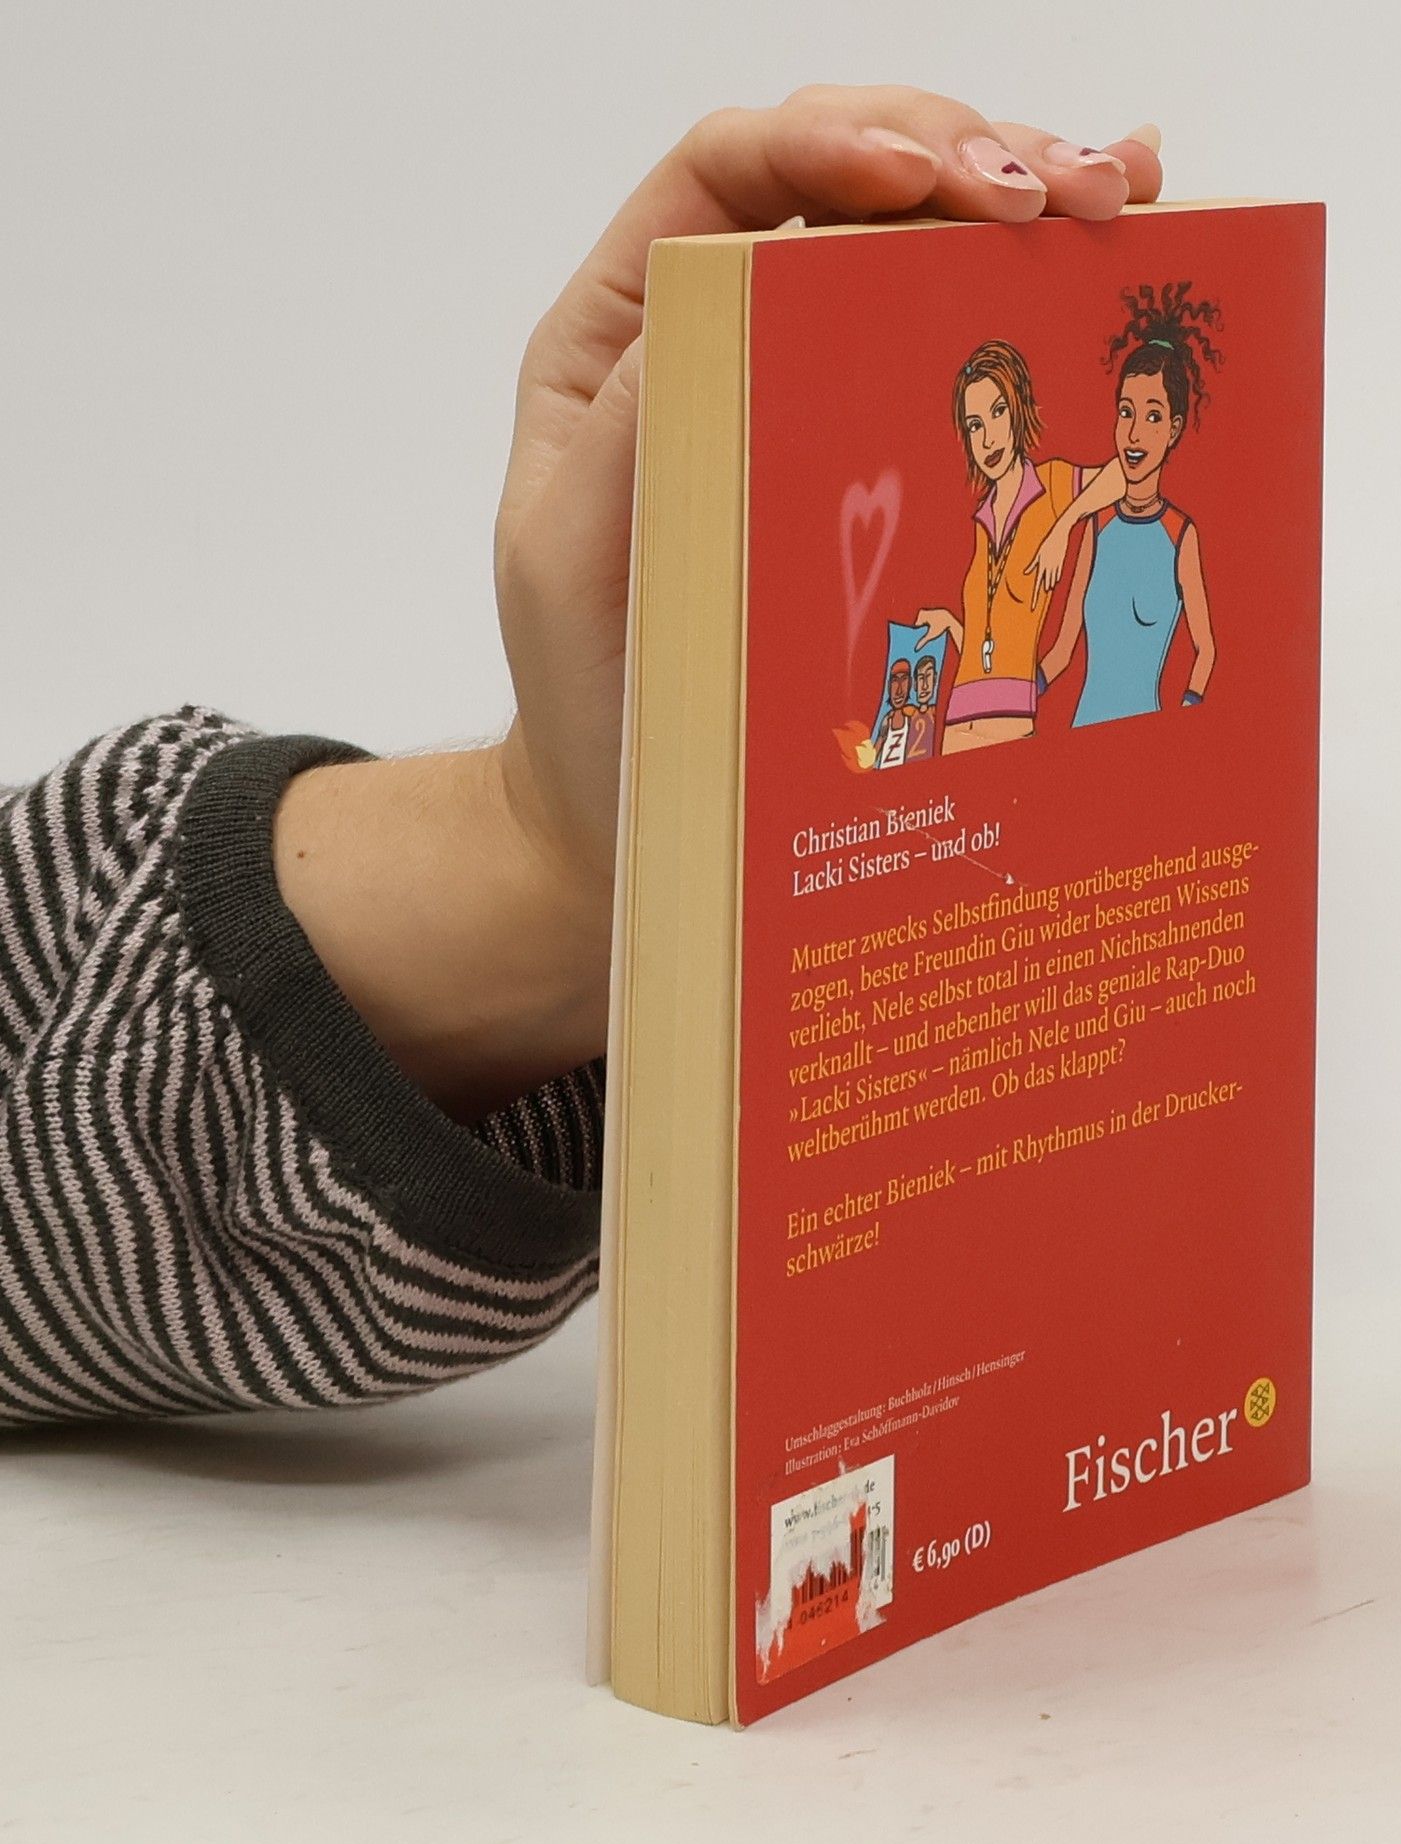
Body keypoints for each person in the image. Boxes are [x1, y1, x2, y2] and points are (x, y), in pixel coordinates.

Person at [0, 88, 1164, 1428]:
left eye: (991, 420)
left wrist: (564, 866)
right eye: (974, 425)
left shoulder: (1064, 501)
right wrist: (566, 864)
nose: (984, 442)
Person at [911, 341, 1128, 754]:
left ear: (1018, 410)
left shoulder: (1052, 484)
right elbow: (989, 648)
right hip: (955, 727)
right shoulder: (982, 522)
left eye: (998, 412)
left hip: (1010, 726)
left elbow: (1121, 474)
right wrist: (952, 625)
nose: (988, 438)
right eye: (975, 425)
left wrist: (1063, 526)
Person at [1037, 284, 1220, 726]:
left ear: (1174, 429)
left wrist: (1188, 710)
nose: (1135, 433)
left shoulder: (1180, 536)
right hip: (1082, 728)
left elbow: (1206, 650)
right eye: (1126, 412)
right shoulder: (1095, 529)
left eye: (1153, 415)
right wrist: (1011, 702)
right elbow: (1061, 653)